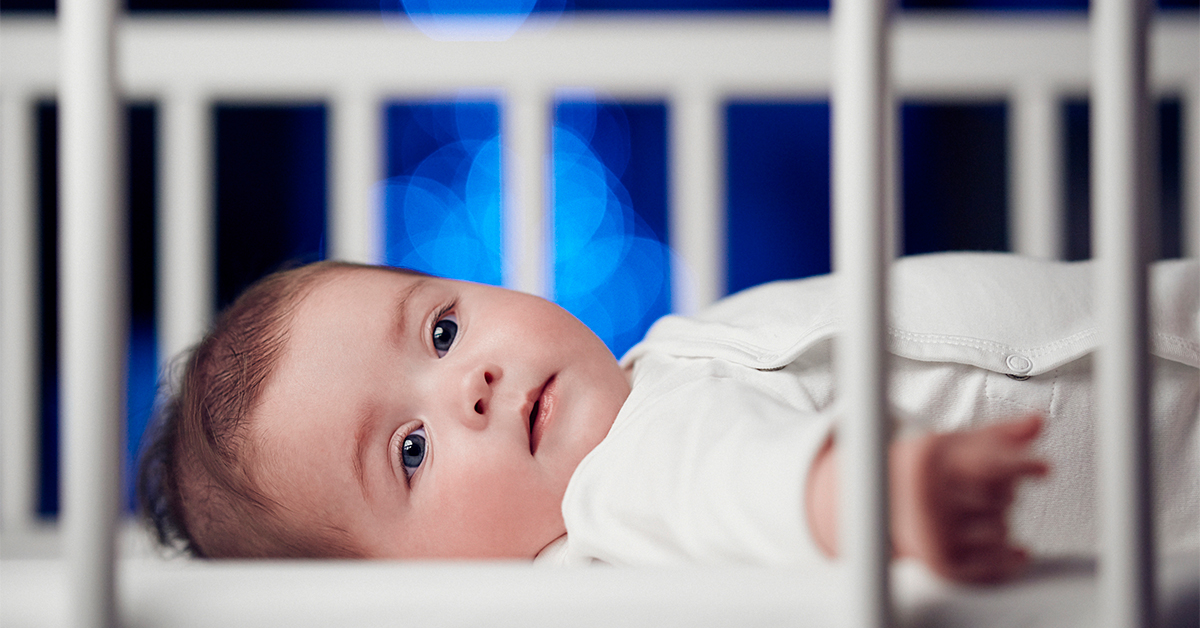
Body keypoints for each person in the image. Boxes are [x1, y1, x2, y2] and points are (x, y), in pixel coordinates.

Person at [138, 253, 1198, 584]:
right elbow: (731, 477)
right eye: (409, 451)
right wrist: (859, 494)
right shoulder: (617, 485)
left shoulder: (656, 372)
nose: (467, 388)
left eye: (444, 330)